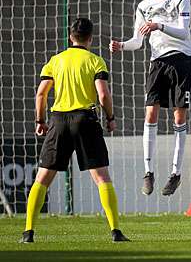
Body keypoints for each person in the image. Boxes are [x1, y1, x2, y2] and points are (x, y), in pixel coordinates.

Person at [21, 18, 129, 243]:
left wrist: (40, 120)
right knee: (101, 177)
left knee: (42, 178)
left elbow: (41, 93)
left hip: (58, 120)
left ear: (71, 37)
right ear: (90, 38)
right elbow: (103, 95)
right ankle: (116, 231)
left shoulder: (56, 61)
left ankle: (28, 232)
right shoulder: (95, 61)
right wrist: (110, 118)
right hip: (85, 119)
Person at [109, 0, 191, 197]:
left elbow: (184, 31)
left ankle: (175, 173)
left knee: (178, 114)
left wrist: (159, 25)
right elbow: (138, 41)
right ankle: (148, 172)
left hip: (181, 59)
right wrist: (121, 45)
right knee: (150, 112)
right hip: (158, 62)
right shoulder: (144, 5)